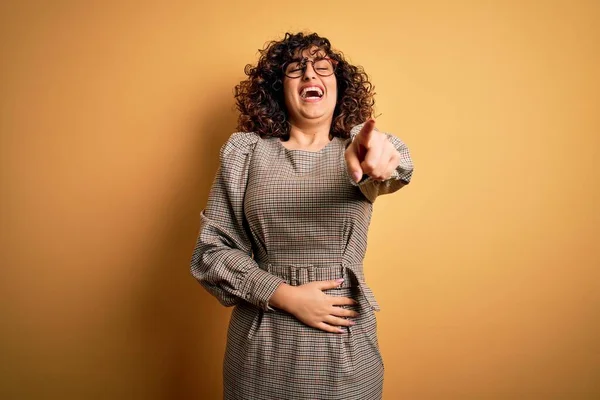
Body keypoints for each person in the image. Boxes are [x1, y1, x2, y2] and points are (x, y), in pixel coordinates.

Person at [190, 32, 414, 400]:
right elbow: (210, 253)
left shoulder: (358, 148)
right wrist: (283, 295)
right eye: (297, 70)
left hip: (342, 345)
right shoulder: (245, 152)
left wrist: (382, 162)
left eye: (322, 68)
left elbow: (393, 167)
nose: (311, 74)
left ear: (339, 87)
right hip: (261, 345)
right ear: (279, 90)